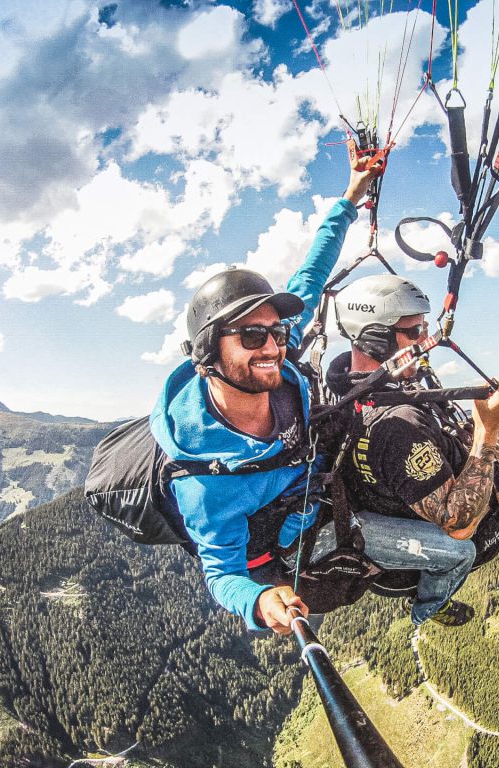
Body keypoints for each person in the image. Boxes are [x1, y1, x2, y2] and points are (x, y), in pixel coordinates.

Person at [148, 160, 380, 636]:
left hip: (319, 491)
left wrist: (350, 197)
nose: (273, 346)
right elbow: (222, 573)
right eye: (253, 336)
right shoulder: (202, 478)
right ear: (210, 351)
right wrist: (257, 601)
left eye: (276, 331)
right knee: (442, 543)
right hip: (299, 542)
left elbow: (310, 277)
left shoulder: (273, 357)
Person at [330, 274, 499, 626]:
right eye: (414, 333)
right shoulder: (396, 428)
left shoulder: (349, 380)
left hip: (451, 452)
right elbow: (458, 527)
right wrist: (486, 432)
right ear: (376, 340)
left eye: (423, 328)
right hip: (462, 488)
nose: (425, 340)